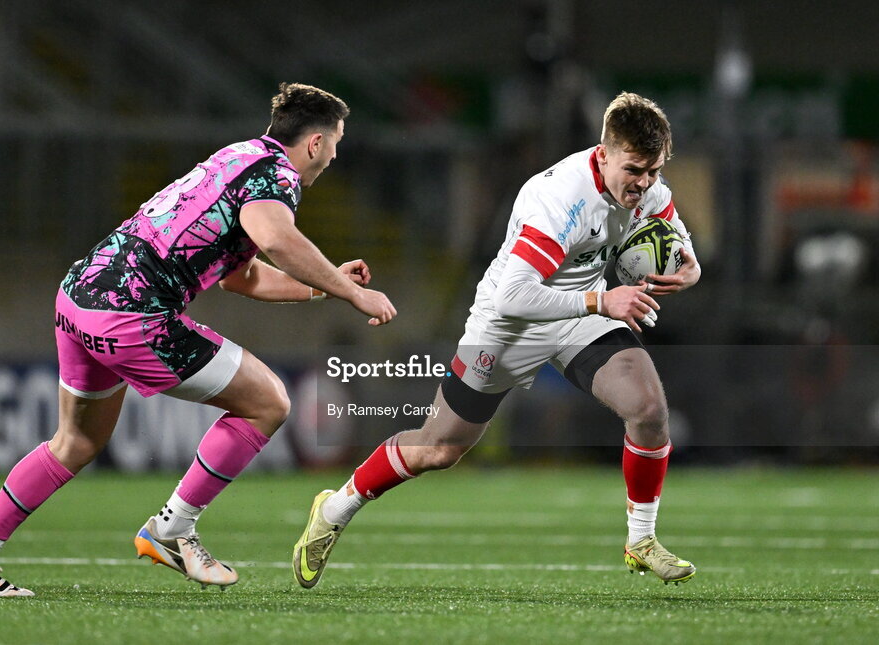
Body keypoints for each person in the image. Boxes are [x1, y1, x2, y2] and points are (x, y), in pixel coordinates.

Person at [0, 82, 397, 597]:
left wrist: (326, 287)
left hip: (79, 296)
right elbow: (276, 239)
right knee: (268, 402)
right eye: (335, 144)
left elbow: (241, 277)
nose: (333, 157)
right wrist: (354, 296)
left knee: (76, 442)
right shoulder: (277, 176)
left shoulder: (237, 157)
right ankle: (173, 528)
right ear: (315, 143)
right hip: (132, 316)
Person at [293, 92, 701, 588]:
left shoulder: (649, 187)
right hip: (510, 321)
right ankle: (334, 509)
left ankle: (641, 540)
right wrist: (602, 302)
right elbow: (514, 296)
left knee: (648, 409)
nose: (644, 183)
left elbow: (674, 237)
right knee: (439, 449)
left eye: (654, 171)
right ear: (603, 154)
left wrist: (688, 268)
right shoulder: (560, 199)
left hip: (583, 309)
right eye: (635, 169)